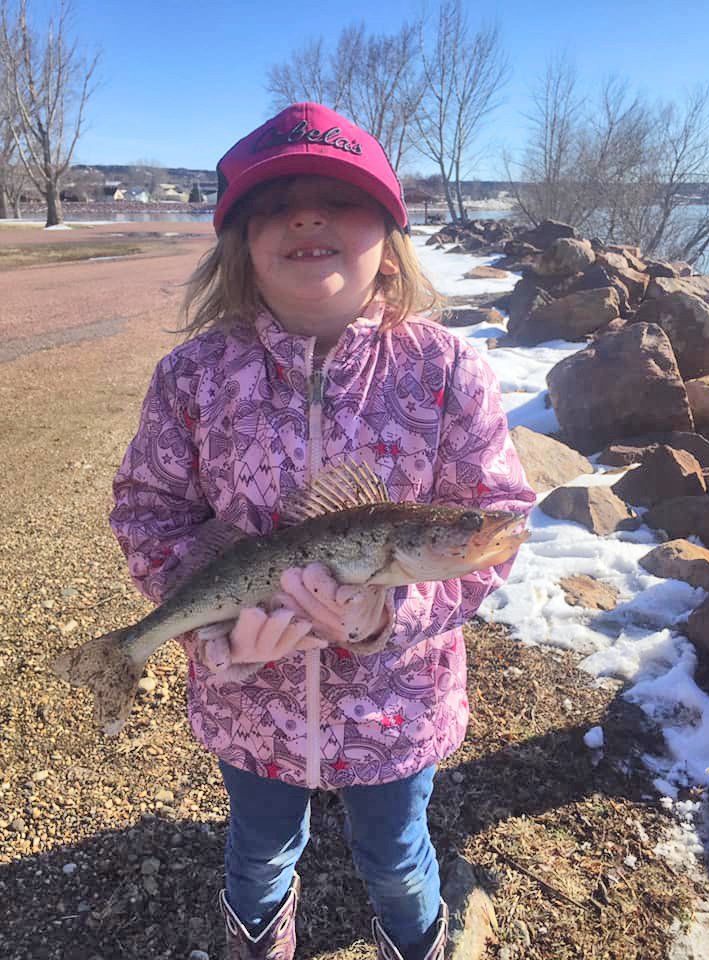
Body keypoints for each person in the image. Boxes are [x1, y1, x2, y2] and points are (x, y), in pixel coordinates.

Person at [109, 102, 536, 960]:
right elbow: (147, 512)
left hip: (398, 714)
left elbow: (498, 526)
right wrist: (220, 631)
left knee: (398, 856)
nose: (307, 217)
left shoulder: (448, 369)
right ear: (239, 244)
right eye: (276, 204)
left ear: (390, 230)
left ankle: (414, 943)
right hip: (249, 712)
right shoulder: (192, 377)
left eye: (338, 198)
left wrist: (391, 617)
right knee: (258, 853)